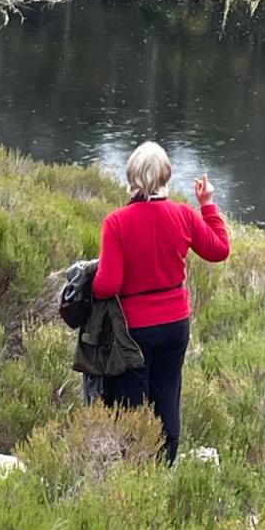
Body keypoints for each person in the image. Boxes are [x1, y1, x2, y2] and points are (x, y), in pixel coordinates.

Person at [92, 141, 230, 463]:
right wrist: (207, 205)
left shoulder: (116, 222)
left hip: (133, 331)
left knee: (131, 402)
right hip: (175, 325)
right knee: (167, 397)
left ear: (132, 178)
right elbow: (220, 249)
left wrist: (93, 282)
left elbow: (107, 284)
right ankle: (165, 465)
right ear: (166, 176)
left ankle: (135, 470)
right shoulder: (183, 214)